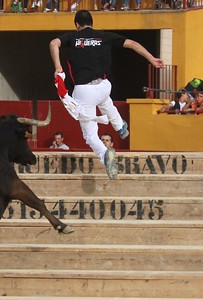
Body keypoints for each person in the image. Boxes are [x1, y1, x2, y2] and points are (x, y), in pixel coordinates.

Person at [49, 9, 164, 179]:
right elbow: (133, 44)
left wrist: (58, 67)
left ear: (76, 25)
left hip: (84, 91)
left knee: (89, 135)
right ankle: (120, 127)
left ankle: (105, 155)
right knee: (106, 102)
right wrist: (152, 58)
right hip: (104, 86)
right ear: (92, 23)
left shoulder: (72, 38)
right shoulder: (103, 36)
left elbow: (53, 43)